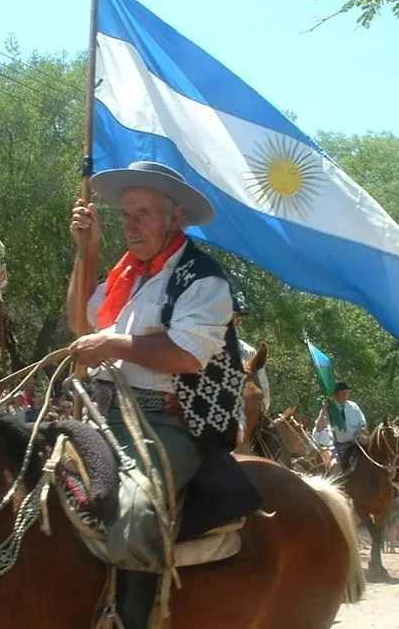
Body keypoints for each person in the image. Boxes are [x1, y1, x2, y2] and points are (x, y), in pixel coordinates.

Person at [67, 161, 243, 629]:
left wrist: (113, 344)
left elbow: (187, 354)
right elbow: (80, 323)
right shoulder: (126, 275)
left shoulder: (203, 278)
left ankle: (132, 621)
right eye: (125, 215)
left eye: (143, 212)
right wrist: (89, 249)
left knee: (136, 506)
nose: (131, 224)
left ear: (176, 216)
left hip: (169, 422)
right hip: (103, 414)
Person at [232, 298, 270, 448]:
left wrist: (261, 407)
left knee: (273, 442)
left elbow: (264, 392)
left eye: (231, 316)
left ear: (239, 320)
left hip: (248, 418)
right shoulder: (205, 346)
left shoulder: (249, 353)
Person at [314, 381, 367, 473]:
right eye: (343, 393)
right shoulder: (330, 408)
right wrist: (324, 411)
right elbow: (319, 428)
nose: (346, 396)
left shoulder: (353, 406)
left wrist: (361, 431)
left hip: (356, 444)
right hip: (340, 446)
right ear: (335, 395)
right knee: (334, 467)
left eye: (348, 393)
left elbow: (364, 425)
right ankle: (337, 487)